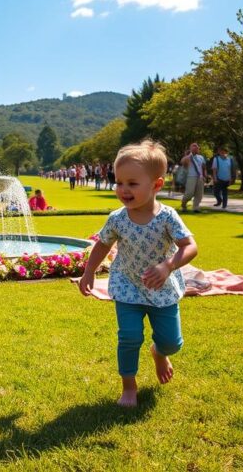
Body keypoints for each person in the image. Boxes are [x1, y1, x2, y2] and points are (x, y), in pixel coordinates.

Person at [78, 140, 198, 407]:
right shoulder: (117, 218)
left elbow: (190, 246)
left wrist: (168, 266)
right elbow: (103, 244)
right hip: (127, 285)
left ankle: (159, 353)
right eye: (119, 182)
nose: (123, 190)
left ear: (156, 185)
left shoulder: (167, 217)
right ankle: (129, 387)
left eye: (132, 183)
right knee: (129, 337)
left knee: (172, 343)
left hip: (162, 288)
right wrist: (89, 272)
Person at [180, 142, 206, 213]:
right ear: (190, 148)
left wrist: (204, 176)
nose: (196, 148)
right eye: (194, 146)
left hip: (200, 177)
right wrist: (189, 154)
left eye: (197, 147)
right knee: (189, 193)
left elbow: (203, 167)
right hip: (191, 177)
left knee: (199, 194)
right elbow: (182, 162)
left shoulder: (201, 157)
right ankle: (183, 204)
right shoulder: (188, 157)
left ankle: (196, 207)